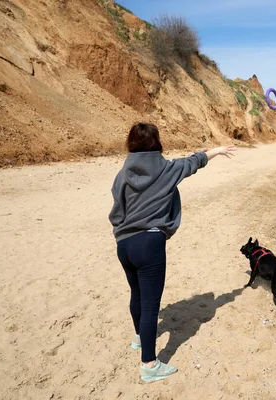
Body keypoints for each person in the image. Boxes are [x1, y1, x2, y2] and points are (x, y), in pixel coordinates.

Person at [108, 122, 236, 382]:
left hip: (124, 244)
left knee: (136, 294)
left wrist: (122, 233)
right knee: (151, 305)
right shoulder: (167, 169)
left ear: (131, 143)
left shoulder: (122, 174)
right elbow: (195, 161)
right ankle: (149, 365)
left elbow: (117, 210)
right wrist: (218, 150)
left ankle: (138, 338)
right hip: (149, 244)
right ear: (157, 143)